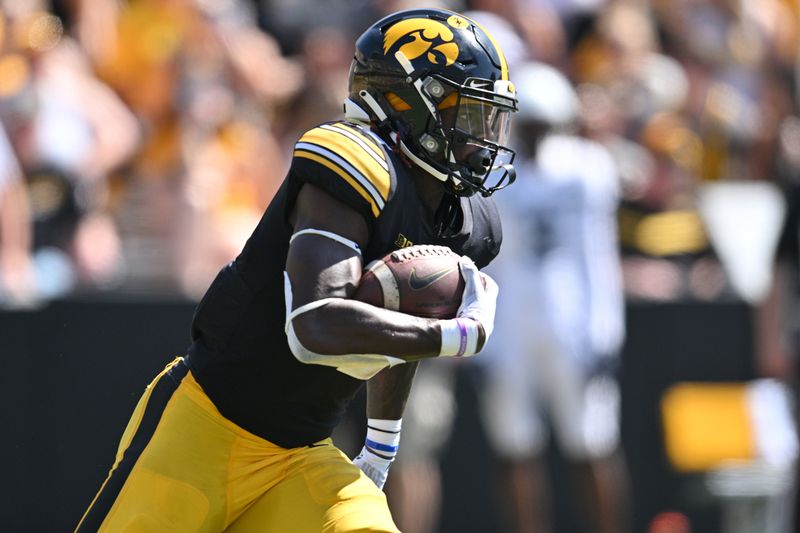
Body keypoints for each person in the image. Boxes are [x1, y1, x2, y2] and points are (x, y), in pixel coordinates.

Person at [76, 8, 517, 532]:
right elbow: (313, 324)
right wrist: (455, 335)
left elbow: (399, 314)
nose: (479, 137)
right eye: (464, 114)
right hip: (203, 431)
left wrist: (381, 441)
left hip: (298, 453)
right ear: (407, 103)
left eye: (486, 117)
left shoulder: (461, 215)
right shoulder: (351, 160)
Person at [478, 62, 629, 533]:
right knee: (514, 446)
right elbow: (486, 258)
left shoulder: (587, 168)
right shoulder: (496, 172)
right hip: (512, 325)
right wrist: (485, 339)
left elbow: (599, 257)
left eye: (546, 126)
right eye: (531, 126)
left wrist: (605, 333)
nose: (538, 137)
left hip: (572, 323)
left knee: (592, 444)